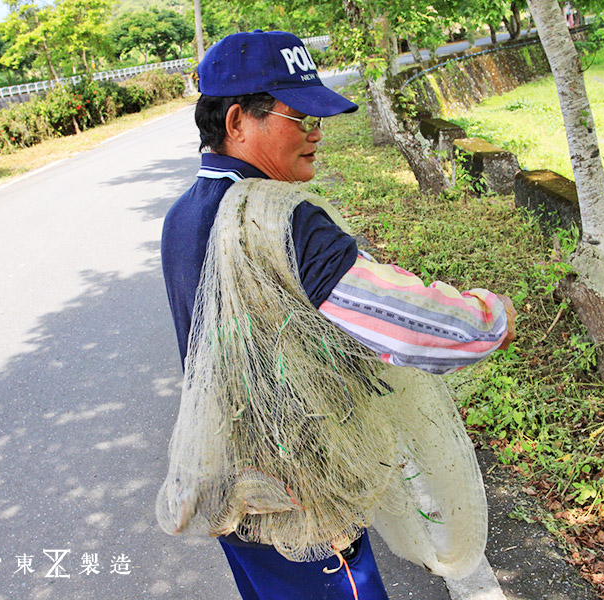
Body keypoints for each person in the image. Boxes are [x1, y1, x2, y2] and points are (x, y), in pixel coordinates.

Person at [160, 30, 516, 600]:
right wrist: (488, 318)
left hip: (231, 491)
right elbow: (408, 323)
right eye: (298, 116)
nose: (316, 132)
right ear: (236, 122)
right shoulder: (278, 221)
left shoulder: (183, 215)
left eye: (318, 118)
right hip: (300, 504)